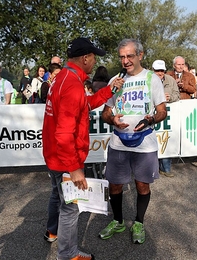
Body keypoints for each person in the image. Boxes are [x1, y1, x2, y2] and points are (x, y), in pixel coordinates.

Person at [42, 37, 124, 260]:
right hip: (65, 158)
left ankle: (52, 231)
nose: (94, 60)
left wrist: (108, 91)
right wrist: (75, 168)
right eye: (93, 56)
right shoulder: (71, 84)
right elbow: (64, 133)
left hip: (54, 155)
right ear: (86, 58)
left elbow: (85, 104)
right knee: (70, 208)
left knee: (57, 196)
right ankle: (68, 255)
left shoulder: (63, 79)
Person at [99, 39, 167, 245]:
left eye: (129, 56)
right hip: (118, 142)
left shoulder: (152, 78)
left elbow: (162, 111)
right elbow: (105, 113)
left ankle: (139, 222)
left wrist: (151, 119)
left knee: (142, 185)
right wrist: (112, 120)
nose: (125, 61)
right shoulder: (116, 80)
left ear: (140, 55)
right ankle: (118, 221)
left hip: (145, 143)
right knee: (115, 185)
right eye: (122, 57)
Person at [152, 59, 178, 177]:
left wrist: (170, 98)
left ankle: (166, 168)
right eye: (157, 70)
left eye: (162, 70)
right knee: (152, 141)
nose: (160, 73)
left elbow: (177, 95)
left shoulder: (171, 80)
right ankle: (153, 169)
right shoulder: (148, 80)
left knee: (166, 139)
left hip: (168, 117)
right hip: (153, 115)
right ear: (153, 70)